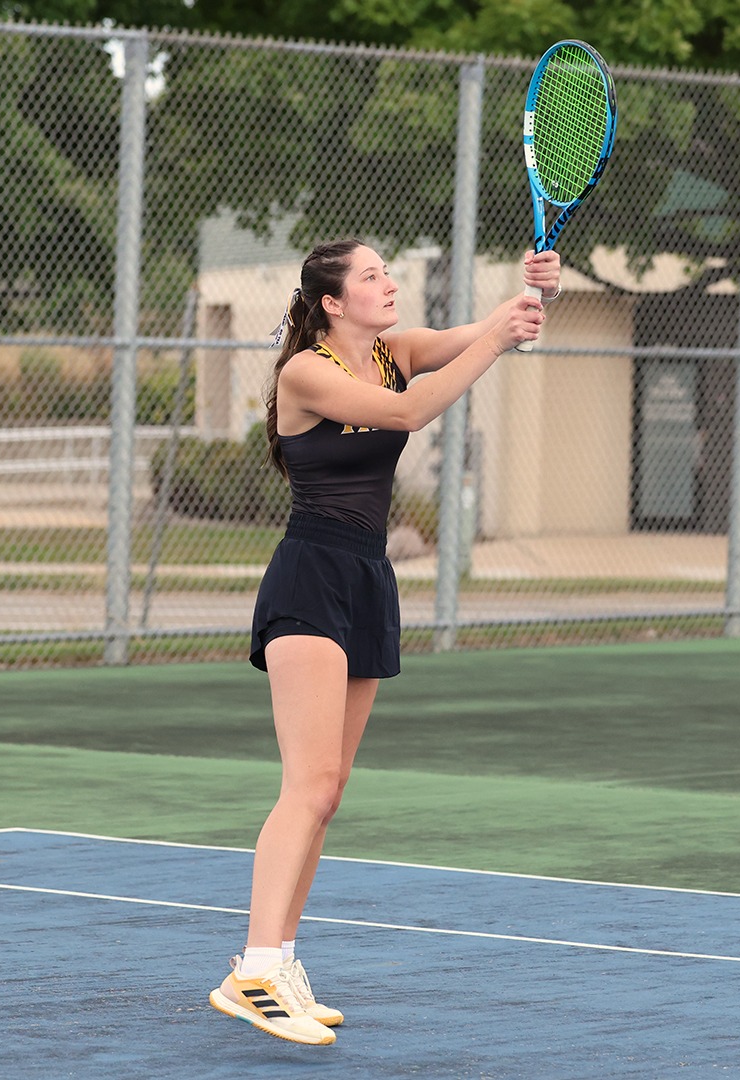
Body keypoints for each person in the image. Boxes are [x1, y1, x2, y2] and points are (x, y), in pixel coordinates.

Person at [208, 238, 562, 1046]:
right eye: (370, 276)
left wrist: (530, 296)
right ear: (333, 301)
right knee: (308, 782)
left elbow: (480, 333)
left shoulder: (395, 352)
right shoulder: (305, 370)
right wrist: (499, 343)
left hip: (368, 581)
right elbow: (408, 411)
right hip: (310, 580)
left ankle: (282, 957)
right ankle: (252, 971)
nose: (387, 283)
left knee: (329, 793)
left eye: (385, 272)